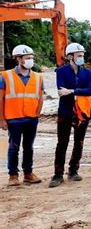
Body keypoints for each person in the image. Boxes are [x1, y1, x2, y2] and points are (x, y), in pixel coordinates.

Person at [49, 43, 91, 188]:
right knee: (62, 143)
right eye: (79, 55)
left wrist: (72, 91)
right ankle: (58, 174)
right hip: (66, 111)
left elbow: (90, 90)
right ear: (70, 57)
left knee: (79, 142)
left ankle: (73, 170)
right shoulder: (61, 72)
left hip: (82, 112)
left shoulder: (88, 73)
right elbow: (61, 90)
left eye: (82, 55)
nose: (82, 58)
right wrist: (74, 91)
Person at [0, 45, 43, 186]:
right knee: (14, 147)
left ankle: (28, 173)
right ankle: (13, 175)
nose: (30, 60)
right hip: (13, 118)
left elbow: (40, 97)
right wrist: (2, 119)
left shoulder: (38, 77)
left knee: (29, 146)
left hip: (31, 118)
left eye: (31, 58)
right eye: (27, 58)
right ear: (18, 59)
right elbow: (1, 99)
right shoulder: (6, 76)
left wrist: (37, 113)